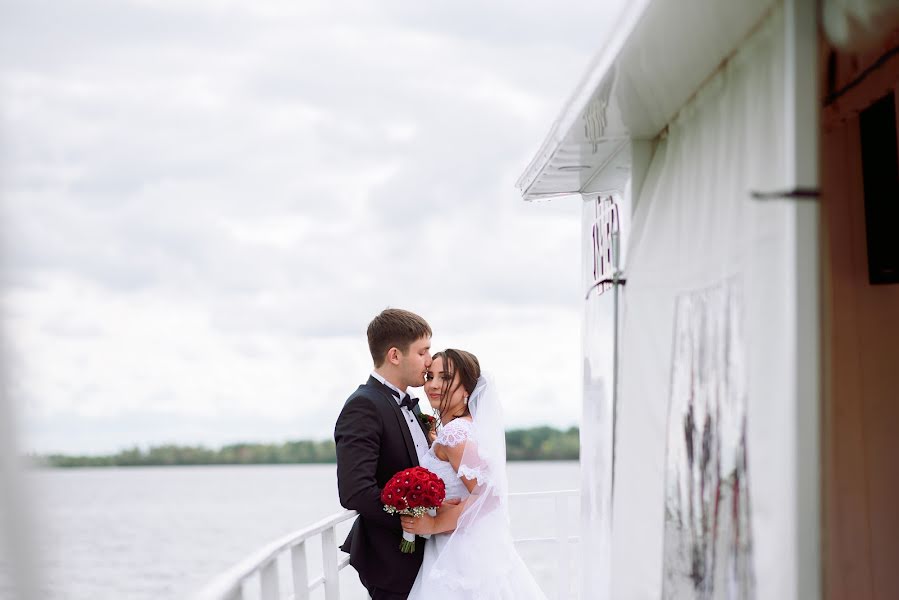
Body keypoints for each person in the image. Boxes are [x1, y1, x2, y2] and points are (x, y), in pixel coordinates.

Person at [401, 349, 548, 599]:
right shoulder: (461, 428)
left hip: (461, 553)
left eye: (445, 378)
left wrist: (434, 523)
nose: (433, 385)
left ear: (467, 389)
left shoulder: (455, 434)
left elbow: (489, 496)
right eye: (430, 377)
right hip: (465, 543)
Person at [334, 308, 438, 600]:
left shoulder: (411, 405)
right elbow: (355, 491)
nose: (430, 360)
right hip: (391, 560)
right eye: (423, 351)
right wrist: (415, 525)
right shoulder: (363, 406)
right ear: (395, 355)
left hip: (427, 555)